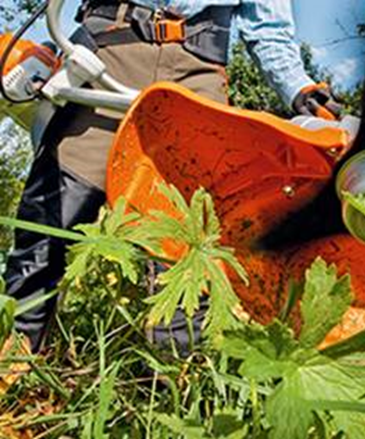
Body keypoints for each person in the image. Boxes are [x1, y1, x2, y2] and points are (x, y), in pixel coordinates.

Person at [0, 0, 341, 357]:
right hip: (109, 52)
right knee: (49, 225)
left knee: (185, 245)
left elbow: (268, 29)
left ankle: (177, 374)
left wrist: (300, 90)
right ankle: (14, 360)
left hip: (196, 72)